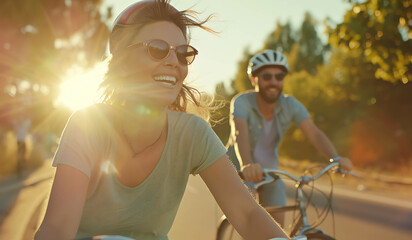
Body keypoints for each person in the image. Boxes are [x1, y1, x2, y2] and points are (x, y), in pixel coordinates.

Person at [34, 1, 291, 239]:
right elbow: (58, 226)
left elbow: (246, 214)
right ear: (121, 62)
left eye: (183, 54)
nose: (173, 62)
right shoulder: (87, 125)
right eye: (157, 49)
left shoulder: (193, 133)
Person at [227, 49, 353, 226]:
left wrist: (335, 157)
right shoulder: (242, 102)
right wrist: (247, 164)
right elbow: (239, 133)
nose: (274, 82)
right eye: (267, 77)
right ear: (255, 79)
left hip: (271, 173)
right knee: (250, 224)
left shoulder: (290, 104)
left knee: (278, 231)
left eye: (279, 77)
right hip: (240, 170)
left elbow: (314, 133)